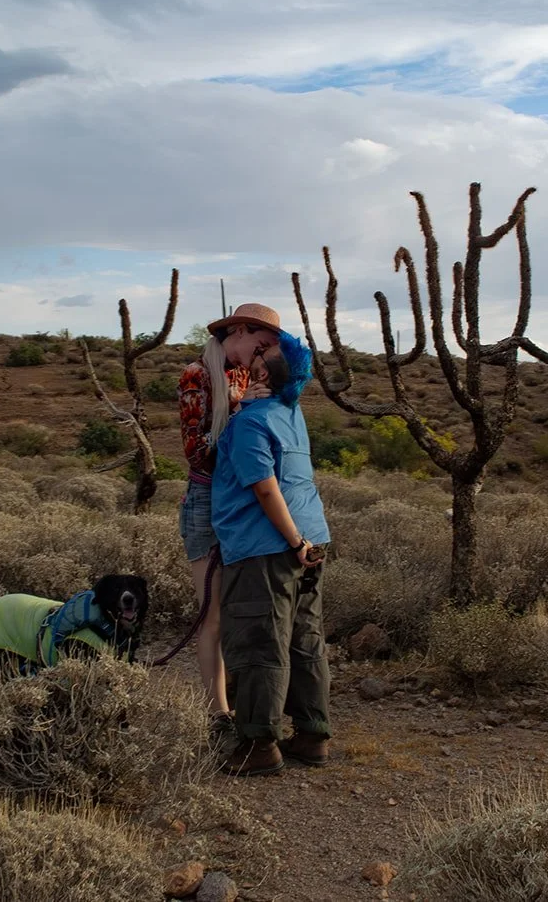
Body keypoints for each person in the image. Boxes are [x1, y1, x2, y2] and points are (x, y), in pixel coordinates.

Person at [210, 330, 331, 776]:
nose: (255, 355)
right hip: (314, 538)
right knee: (304, 639)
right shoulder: (290, 413)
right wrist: (304, 542)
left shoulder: (249, 423)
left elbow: (265, 488)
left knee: (260, 641)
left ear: (262, 372)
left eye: (261, 355)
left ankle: (257, 745)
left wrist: (293, 542)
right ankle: (312, 735)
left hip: (267, 548)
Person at [176, 303, 281, 734]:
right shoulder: (197, 374)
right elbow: (196, 450)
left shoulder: (240, 373)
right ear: (238, 331)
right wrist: (242, 415)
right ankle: (216, 712)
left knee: (238, 605)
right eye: (261, 344)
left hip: (235, 500)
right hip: (205, 498)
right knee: (214, 612)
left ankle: (233, 696)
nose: (261, 355)